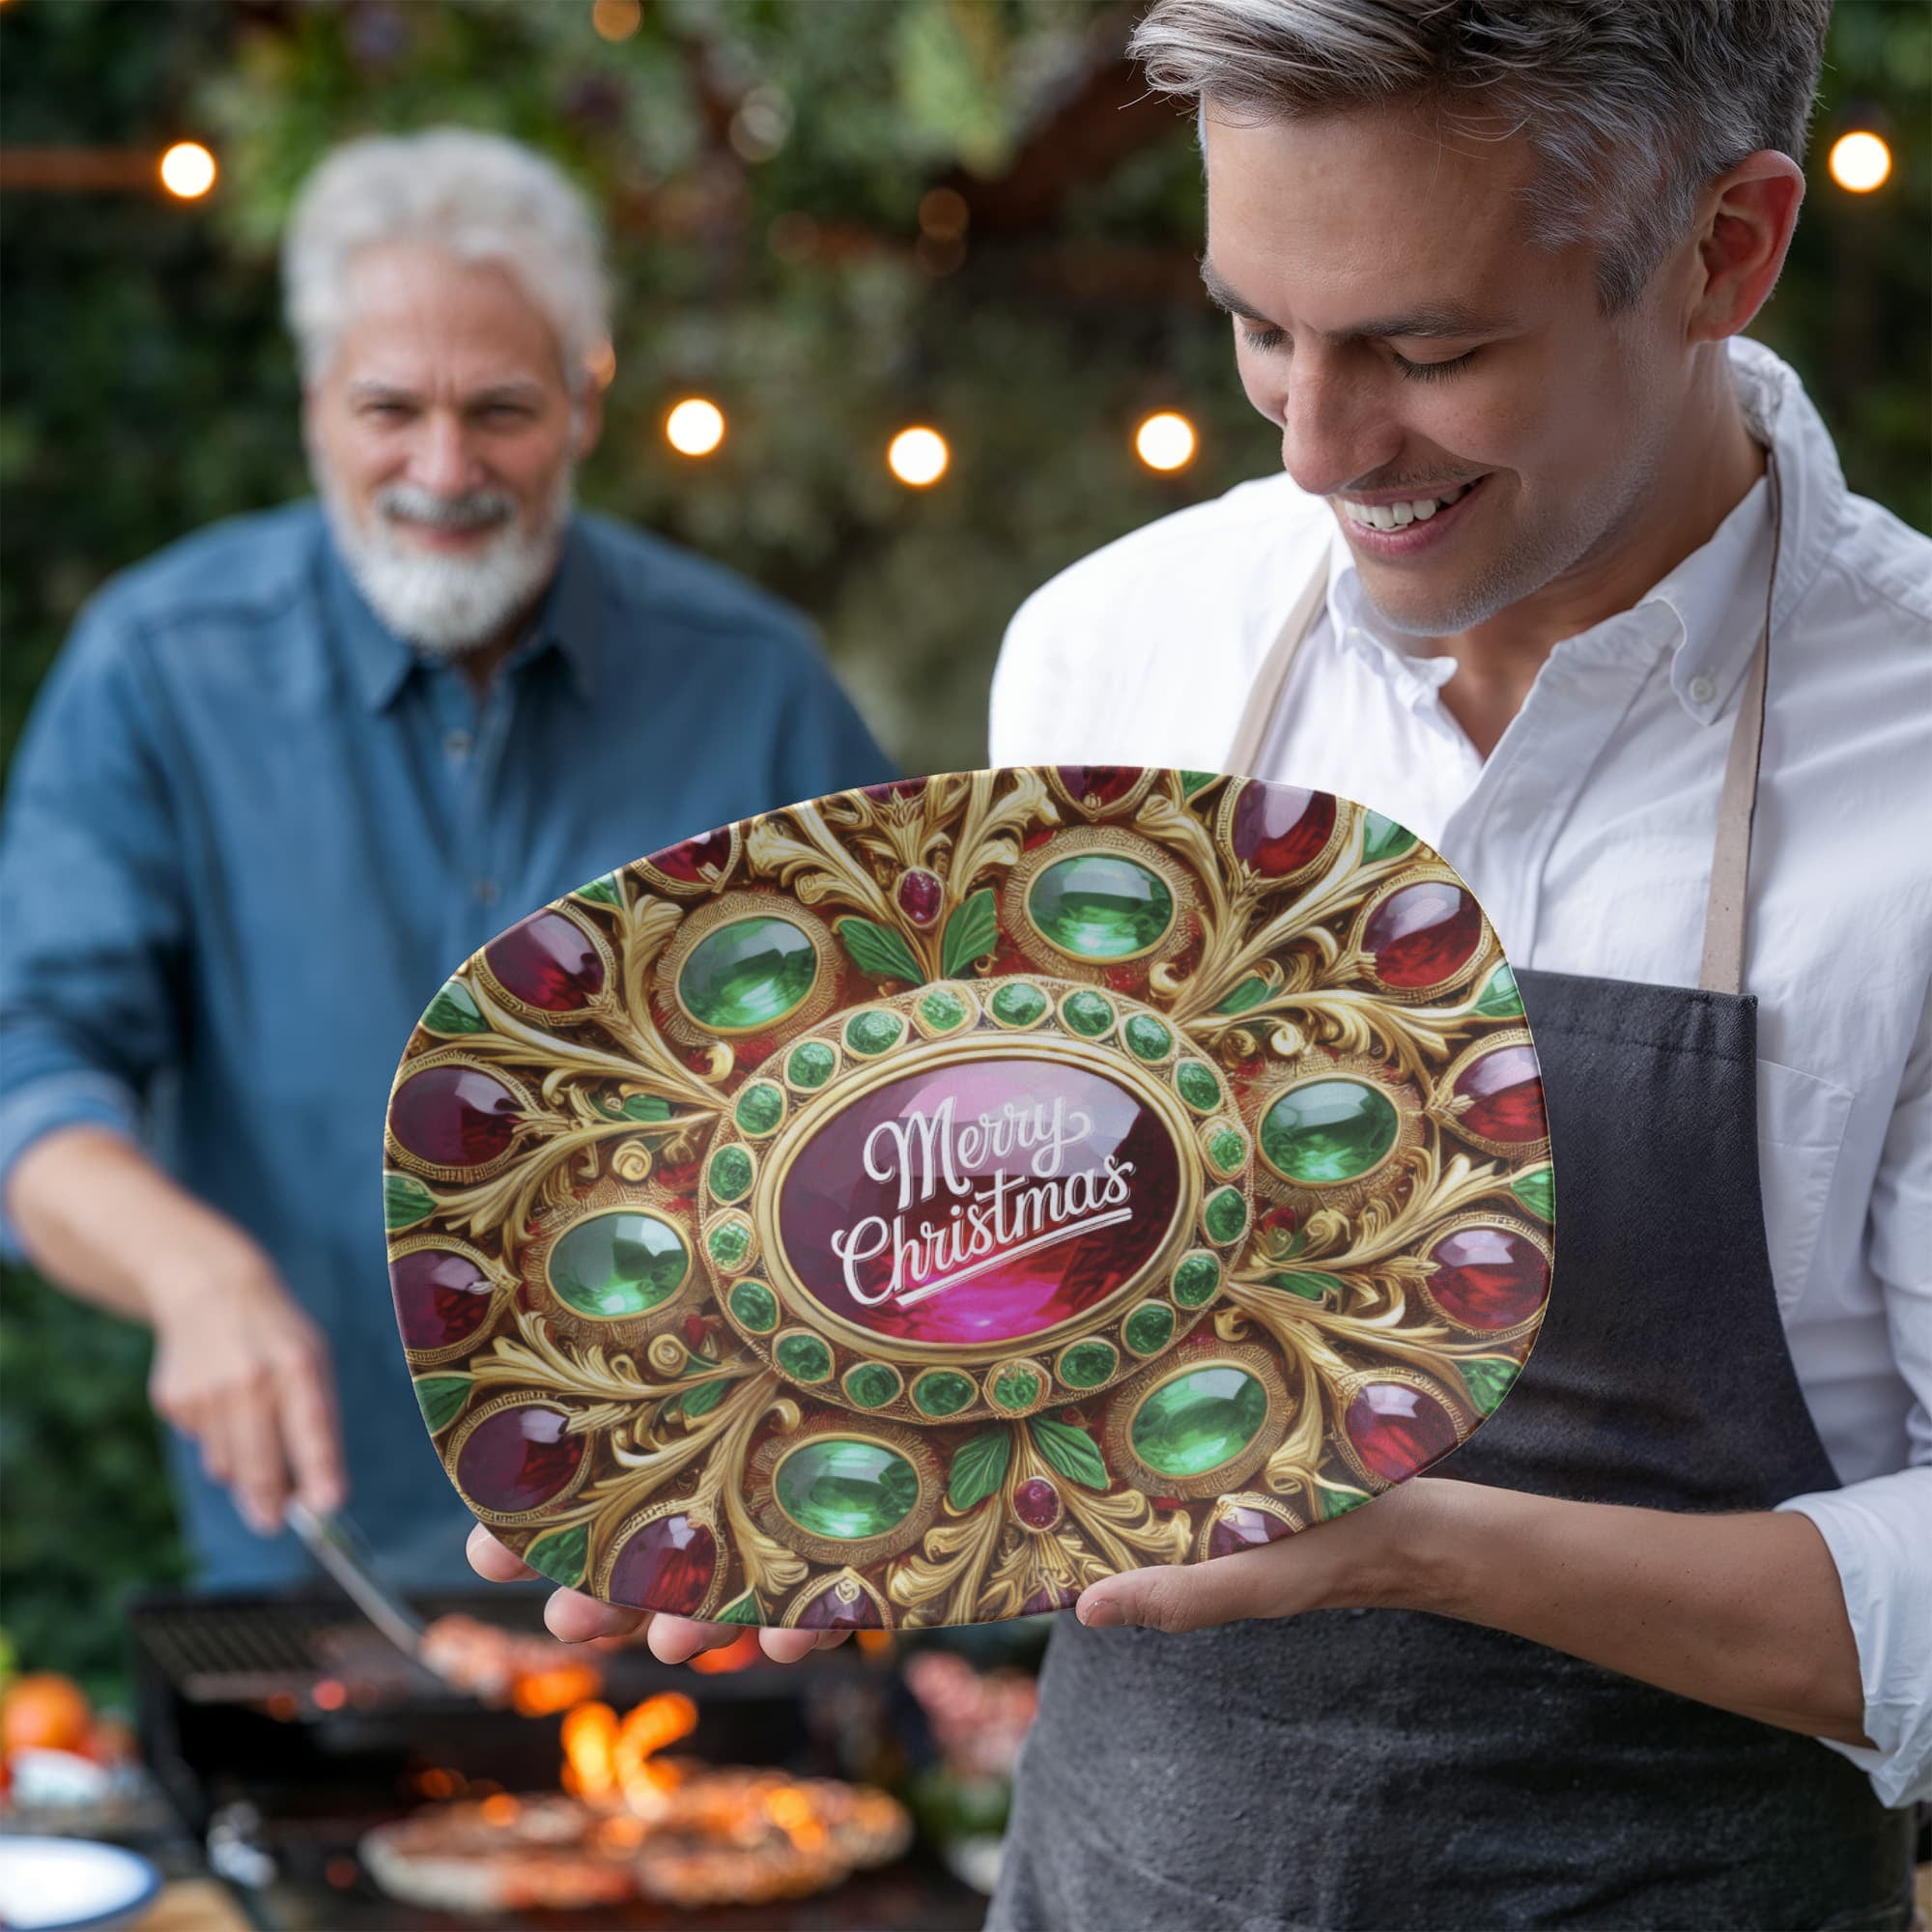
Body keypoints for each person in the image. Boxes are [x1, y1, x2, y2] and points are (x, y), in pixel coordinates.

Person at [472, 1, 1932, 1921]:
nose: (1322, 447)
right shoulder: (1117, 648)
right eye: (1258, 327)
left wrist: (1411, 1546)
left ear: (1724, 251)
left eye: (1427, 347)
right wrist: (811, 1456)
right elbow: (1027, 1315)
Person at [0, 128, 893, 1593]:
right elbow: (30, 1076)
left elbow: (911, 1092)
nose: (443, 466)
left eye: (500, 410)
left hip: (701, 1561)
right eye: (388, 408)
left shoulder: (759, 687)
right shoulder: (159, 668)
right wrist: (190, 1272)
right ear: (312, 406)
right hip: (313, 1572)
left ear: (588, 400)